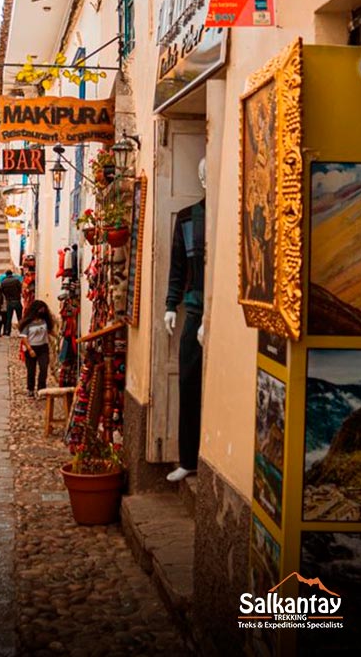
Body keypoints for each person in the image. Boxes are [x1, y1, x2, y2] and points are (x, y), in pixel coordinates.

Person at [162, 157, 206, 483]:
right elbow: (177, 266)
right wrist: (170, 305)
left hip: (221, 311)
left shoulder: (231, 214)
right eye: (203, 174)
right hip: (193, 310)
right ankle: (188, 458)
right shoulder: (188, 218)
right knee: (188, 382)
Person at [19, 300, 54, 396]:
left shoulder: (44, 321)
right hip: (32, 348)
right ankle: (30, 389)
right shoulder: (28, 323)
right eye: (41, 309)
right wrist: (29, 349)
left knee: (43, 368)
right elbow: (24, 337)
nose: (42, 311)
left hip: (43, 347)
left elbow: (49, 331)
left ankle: (41, 389)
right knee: (31, 370)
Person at [0, 269, 23, 336]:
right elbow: (20, 289)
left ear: (6, 275)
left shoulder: (3, 282)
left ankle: (8, 332)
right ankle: (21, 331)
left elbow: (2, 292)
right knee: (20, 317)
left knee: (9, 318)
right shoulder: (16, 281)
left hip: (9, 302)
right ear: (11, 274)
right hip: (17, 301)